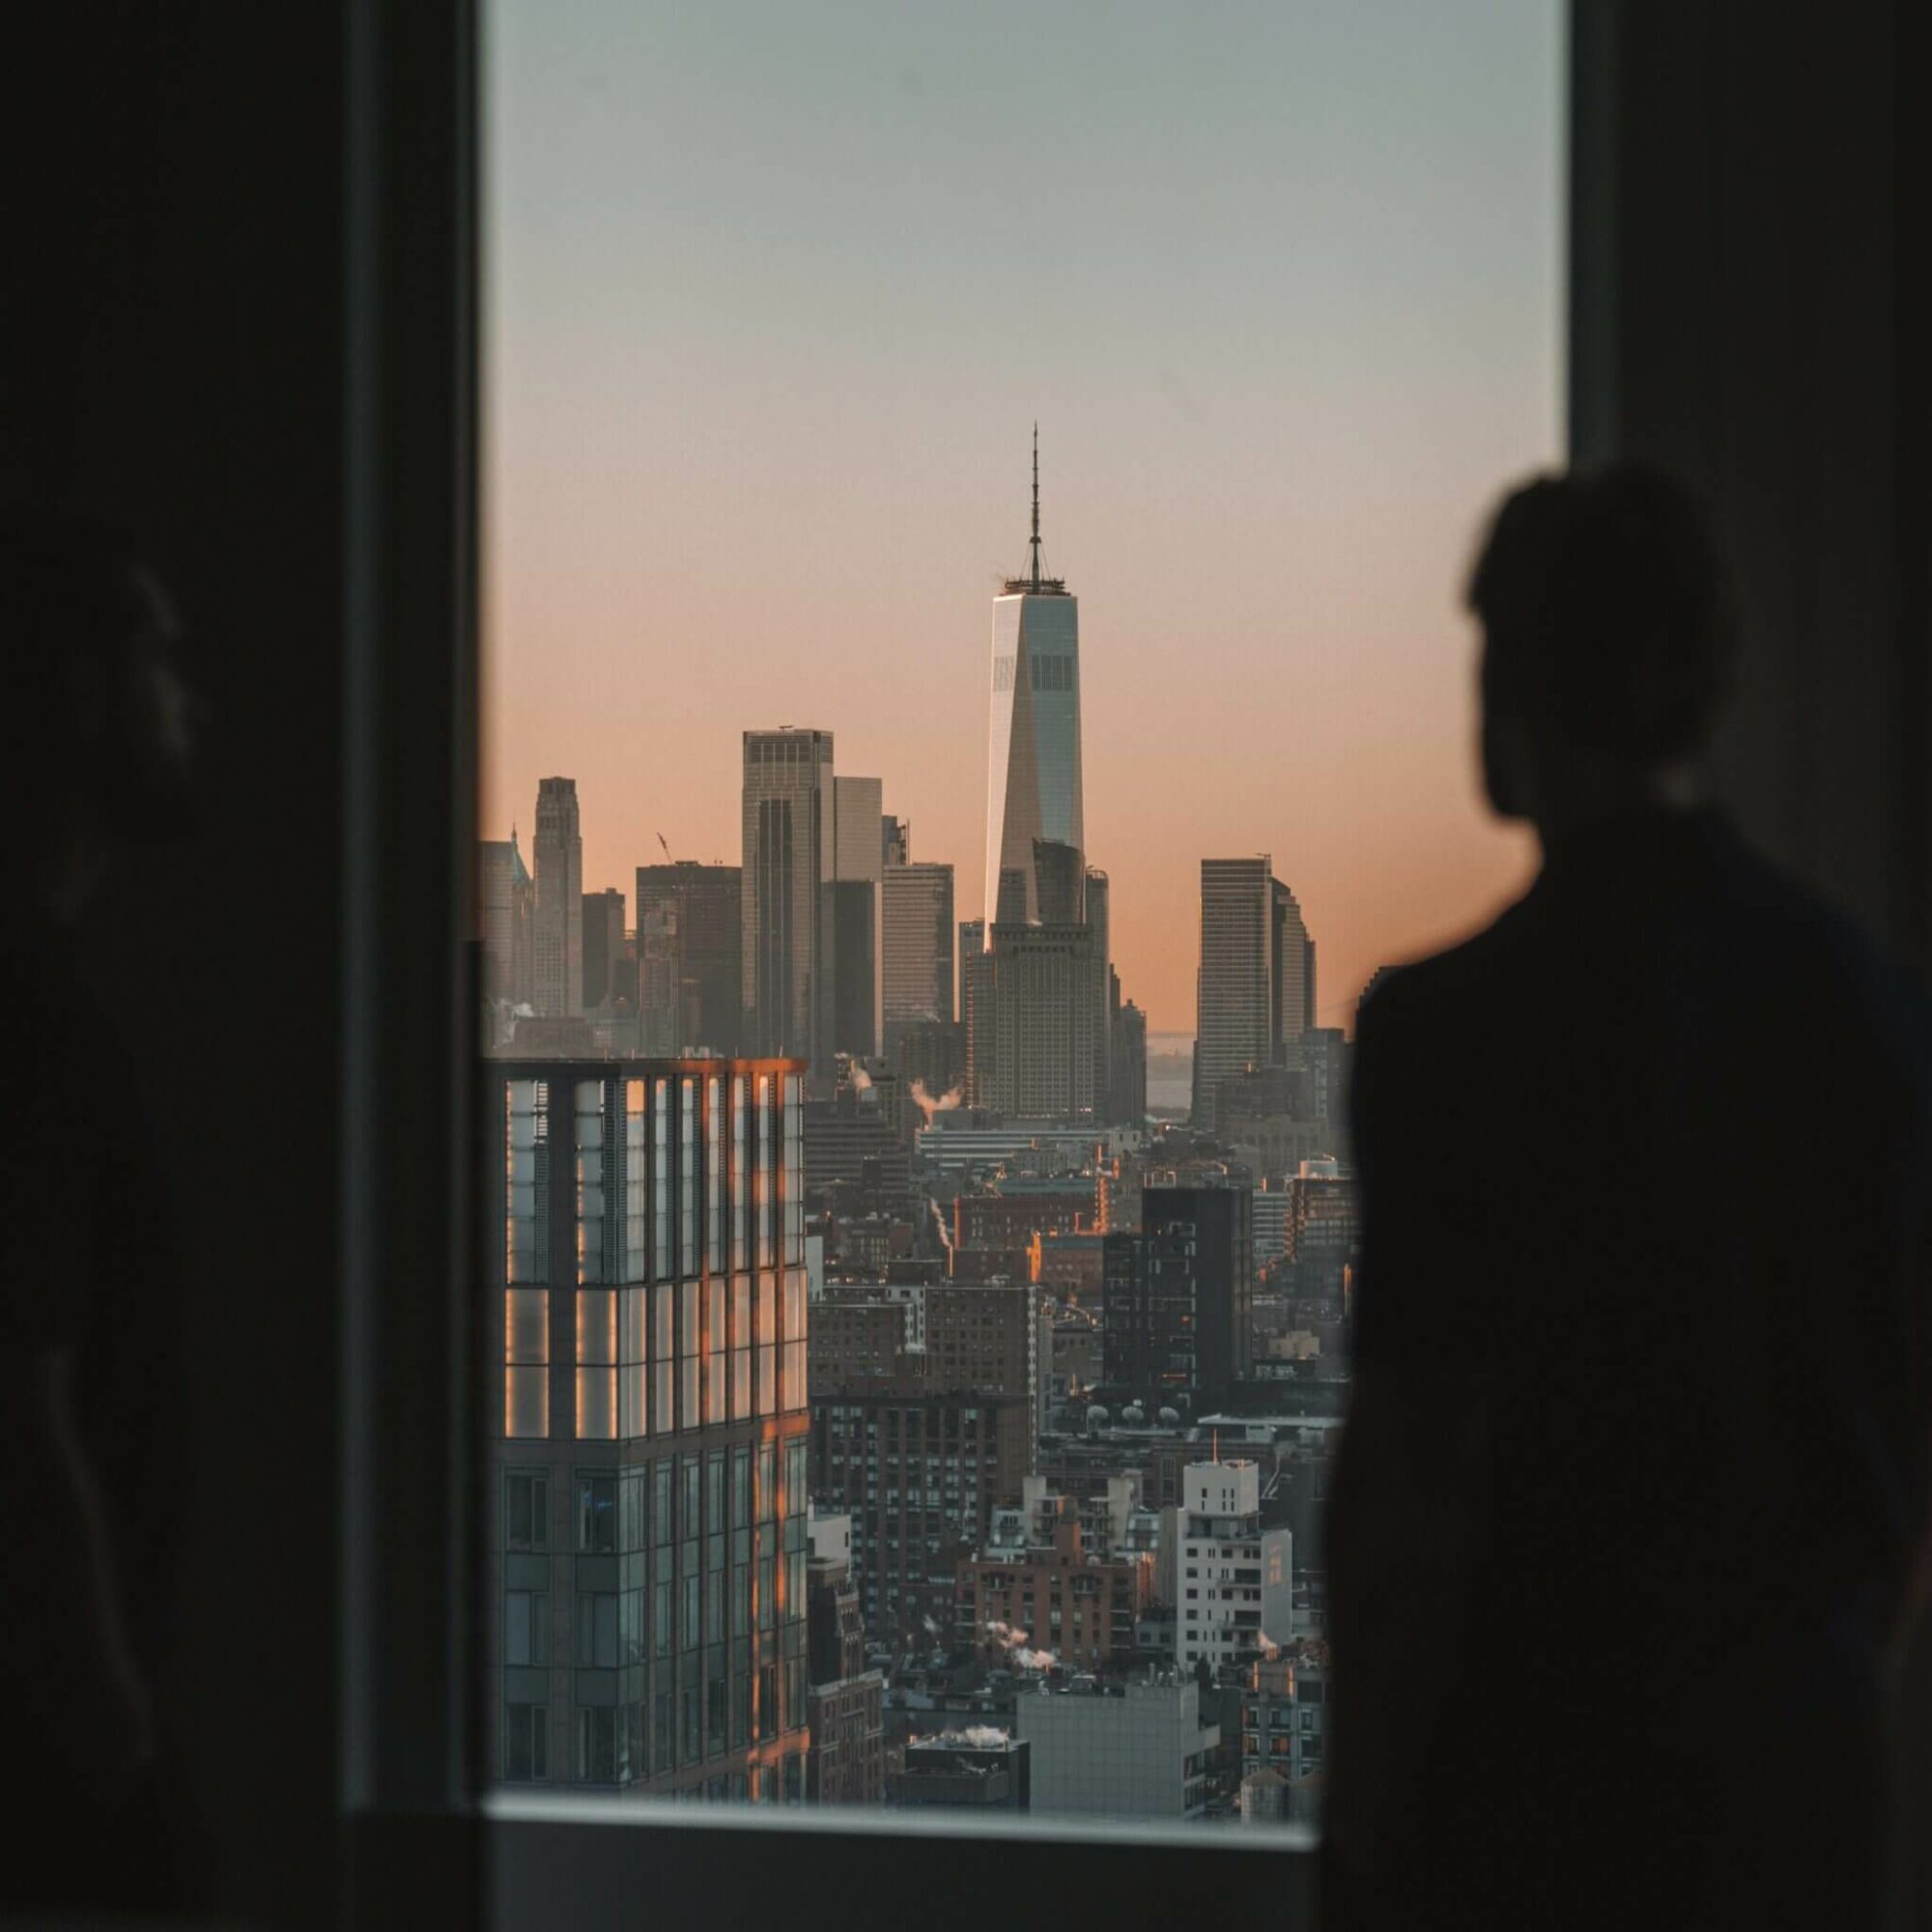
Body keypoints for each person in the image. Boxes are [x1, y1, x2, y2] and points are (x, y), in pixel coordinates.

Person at [1322, 465, 1930, 1930]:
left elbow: (1408, 1479)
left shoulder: (1446, 1028)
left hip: (1524, 1792)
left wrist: (1359, 1835)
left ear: (1521, 685)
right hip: (1795, 1786)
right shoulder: (1863, 1005)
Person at [0, 505, 212, 1910]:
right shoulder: (31, 1024)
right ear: (82, 691)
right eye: (160, 656)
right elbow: (21, 1402)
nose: (188, 699)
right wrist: (112, 1727)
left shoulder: (51, 1004)